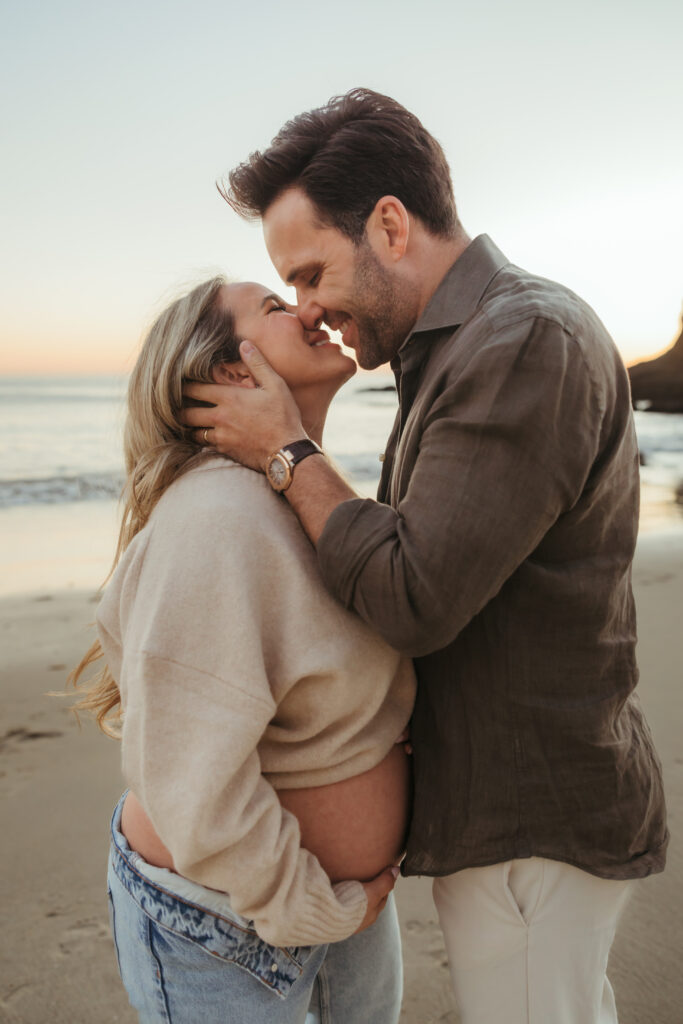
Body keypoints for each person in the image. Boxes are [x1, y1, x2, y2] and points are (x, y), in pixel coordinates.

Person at [181, 88, 669, 1024]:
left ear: (391, 226)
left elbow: (413, 596)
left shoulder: (521, 339)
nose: (312, 310)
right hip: (517, 817)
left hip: (533, 825)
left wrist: (287, 452)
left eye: (313, 273)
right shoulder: (460, 347)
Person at [70, 275, 417, 1023]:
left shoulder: (304, 494)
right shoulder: (219, 517)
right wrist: (313, 909)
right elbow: (194, 786)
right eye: (275, 307)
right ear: (234, 371)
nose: (310, 308)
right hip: (231, 922)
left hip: (327, 905)